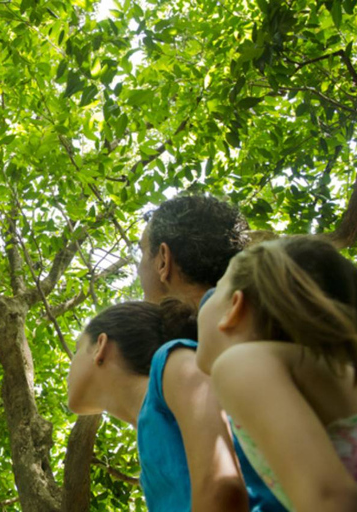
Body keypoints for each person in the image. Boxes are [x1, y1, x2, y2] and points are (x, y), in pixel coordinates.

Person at [137, 194, 286, 511]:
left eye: (141, 254)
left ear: (164, 259)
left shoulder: (187, 354)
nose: (139, 270)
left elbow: (222, 489)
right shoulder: (278, 320)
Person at [196, 236, 357, 511]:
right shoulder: (321, 372)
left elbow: (331, 499)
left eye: (217, 289)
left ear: (234, 307)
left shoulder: (241, 363)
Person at [67, 299, 248, 511]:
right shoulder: (147, 442)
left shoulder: (174, 362)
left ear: (100, 345)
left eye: (77, 349)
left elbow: (223, 487)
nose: (70, 367)